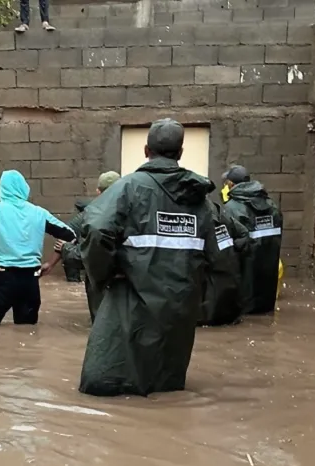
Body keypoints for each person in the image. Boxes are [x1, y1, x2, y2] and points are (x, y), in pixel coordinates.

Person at [78, 119, 222, 397]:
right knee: (164, 385)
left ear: (146, 150)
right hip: (179, 305)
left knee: (105, 383)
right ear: (180, 153)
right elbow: (216, 254)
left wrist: (103, 274)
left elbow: (95, 228)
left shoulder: (129, 188)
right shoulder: (200, 200)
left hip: (133, 298)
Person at [0, 169, 75, 325]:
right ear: (24, 188)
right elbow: (70, 235)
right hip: (30, 280)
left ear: (3, 189)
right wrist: (51, 263)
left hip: (2, 278)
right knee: (26, 331)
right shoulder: (40, 213)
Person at [46, 170, 121, 323]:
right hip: (130, 283)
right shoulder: (138, 212)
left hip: (99, 280)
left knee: (104, 325)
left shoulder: (91, 215)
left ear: (98, 192)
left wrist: (53, 261)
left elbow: (88, 254)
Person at [221, 164, 283, 314]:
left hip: (244, 291)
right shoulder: (272, 205)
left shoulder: (231, 208)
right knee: (265, 318)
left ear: (230, 184)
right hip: (267, 291)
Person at [198, 198, 251, 326]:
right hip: (230, 276)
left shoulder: (199, 216)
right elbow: (244, 234)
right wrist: (232, 250)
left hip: (213, 278)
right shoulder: (221, 212)